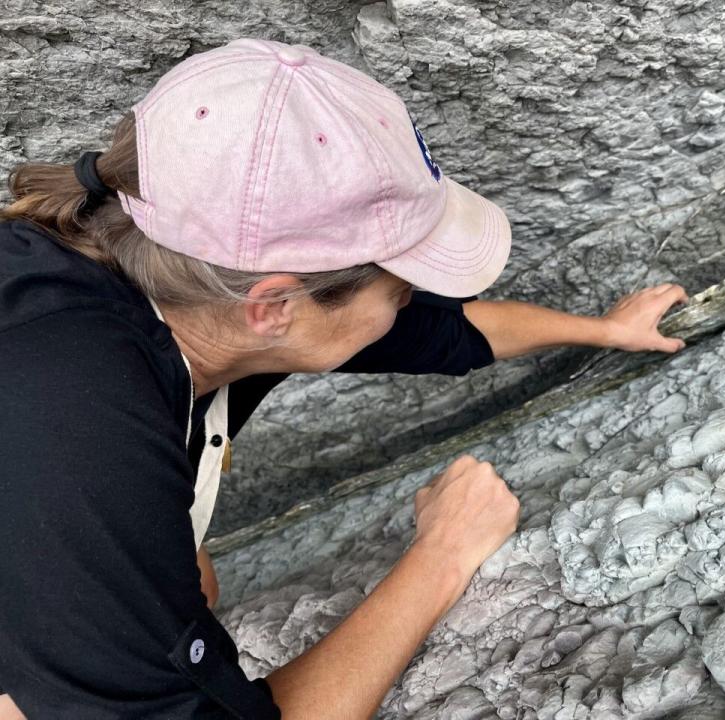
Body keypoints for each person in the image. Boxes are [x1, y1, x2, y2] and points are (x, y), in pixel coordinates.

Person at [0, 38, 687, 719]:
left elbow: (450, 333)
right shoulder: (82, 441)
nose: (413, 301)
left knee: (175, 596)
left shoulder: (170, 275)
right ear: (275, 305)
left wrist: (602, 330)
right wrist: (444, 554)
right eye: (402, 287)